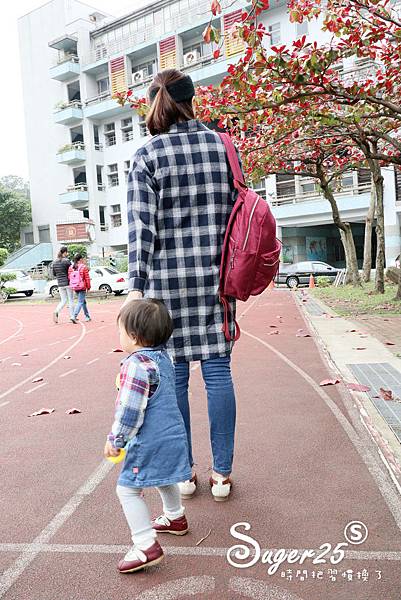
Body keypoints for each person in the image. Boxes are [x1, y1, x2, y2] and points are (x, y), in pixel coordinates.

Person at [124, 69, 244, 502]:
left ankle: (185, 474)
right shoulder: (223, 146)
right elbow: (238, 213)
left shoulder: (147, 155)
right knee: (218, 374)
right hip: (216, 281)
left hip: (166, 286)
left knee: (174, 381)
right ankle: (222, 475)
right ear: (192, 101)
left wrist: (136, 286)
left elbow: (142, 229)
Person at [104, 298, 191, 574]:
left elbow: (130, 413)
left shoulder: (136, 366)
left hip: (149, 441)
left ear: (133, 336)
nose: (119, 336)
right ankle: (175, 517)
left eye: (120, 331)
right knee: (164, 476)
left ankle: (145, 545)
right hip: (172, 435)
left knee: (127, 489)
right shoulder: (164, 359)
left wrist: (116, 440)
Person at [51, 246, 74, 323]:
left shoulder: (54, 262)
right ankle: (72, 316)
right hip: (68, 283)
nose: (67, 254)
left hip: (60, 284)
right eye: (67, 252)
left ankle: (56, 311)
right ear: (65, 252)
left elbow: (54, 274)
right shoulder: (67, 261)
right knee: (71, 300)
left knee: (63, 300)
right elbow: (71, 271)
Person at [68, 253, 91, 323]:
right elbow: (87, 278)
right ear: (80, 259)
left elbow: (69, 277)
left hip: (75, 286)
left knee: (83, 301)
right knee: (80, 302)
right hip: (82, 286)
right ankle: (74, 316)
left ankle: (87, 316)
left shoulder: (71, 267)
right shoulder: (83, 267)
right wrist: (88, 287)